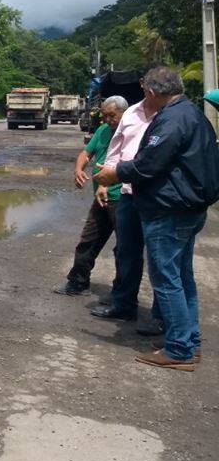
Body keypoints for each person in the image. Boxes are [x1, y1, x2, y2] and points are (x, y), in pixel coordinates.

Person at [96, 66, 219, 371]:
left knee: (167, 281)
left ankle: (179, 349)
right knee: (182, 278)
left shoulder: (172, 120)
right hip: (187, 208)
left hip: (169, 210)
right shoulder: (191, 114)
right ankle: (188, 341)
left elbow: (148, 164)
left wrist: (115, 173)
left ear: (150, 91)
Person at [90, 84, 161, 329]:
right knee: (127, 253)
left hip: (154, 196)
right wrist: (104, 184)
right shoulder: (132, 114)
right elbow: (115, 150)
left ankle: (161, 316)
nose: (108, 120)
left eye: (112, 115)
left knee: (160, 259)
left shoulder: (167, 117)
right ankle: (124, 305)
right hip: (127, 194)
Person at [53, 96, 125, 296]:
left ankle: (122, 296)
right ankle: (77, 282)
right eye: (105, 116)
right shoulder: (103, 131)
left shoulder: (130, 132)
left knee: (125, 249)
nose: (108, 120)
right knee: (88, 240)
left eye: (112, 115)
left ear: (124, 113)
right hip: (101, 197)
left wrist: (107, 182)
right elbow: (86, 153)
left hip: (121, 198)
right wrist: (78, 169)